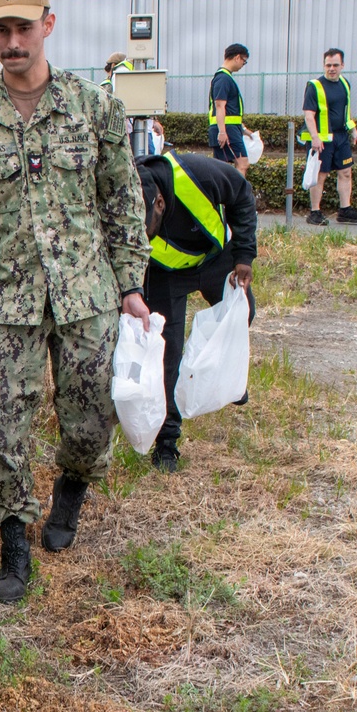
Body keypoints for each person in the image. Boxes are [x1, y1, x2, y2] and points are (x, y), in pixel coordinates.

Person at [0, 0, 150, 603]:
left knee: (89, 419)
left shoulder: (94, 108)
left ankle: (72, 488)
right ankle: (14, 540)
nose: (12, 41)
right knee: (6, 428)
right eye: (1, 29)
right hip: (3, 303)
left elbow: (122, 202)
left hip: (87, 293)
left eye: (24, 27)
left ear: (48, 25)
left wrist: (131, 284)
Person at [133, 152, 258, 472]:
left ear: (159, 204)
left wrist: (244, 254)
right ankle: (167, 443)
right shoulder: (128, 190)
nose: (143, 237)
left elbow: (242, 194)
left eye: (146, 229)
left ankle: (229, 381)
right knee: (168, 355)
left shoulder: (198, 174)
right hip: (165, 275)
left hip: (217, 261)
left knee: (242, 316)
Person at [301, 48, 357, 226]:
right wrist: (315, 137)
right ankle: (315, 212)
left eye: (335, 65)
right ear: (324, 65)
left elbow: (345, 113)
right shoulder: (314, 86)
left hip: (341, 137)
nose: (331, 68)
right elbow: (309, 114)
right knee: (320, 175)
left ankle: (345, 210)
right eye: (328, 65)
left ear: (342, 65)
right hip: (322, 140)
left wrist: (353, 131)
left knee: (345, 172)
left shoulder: (345, 84)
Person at [208, 44, 254, 174]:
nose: (242, 65)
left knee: (222, 167)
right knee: (242, 163)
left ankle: (226, 194)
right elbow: (220, 106)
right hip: (227, 130)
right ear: (237, 57)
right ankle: (236, 194)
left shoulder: (224, 77)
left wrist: (244, 130)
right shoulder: (223, 79)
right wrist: (222, 132)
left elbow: (230, 111)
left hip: (229, 128)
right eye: (244, 62)